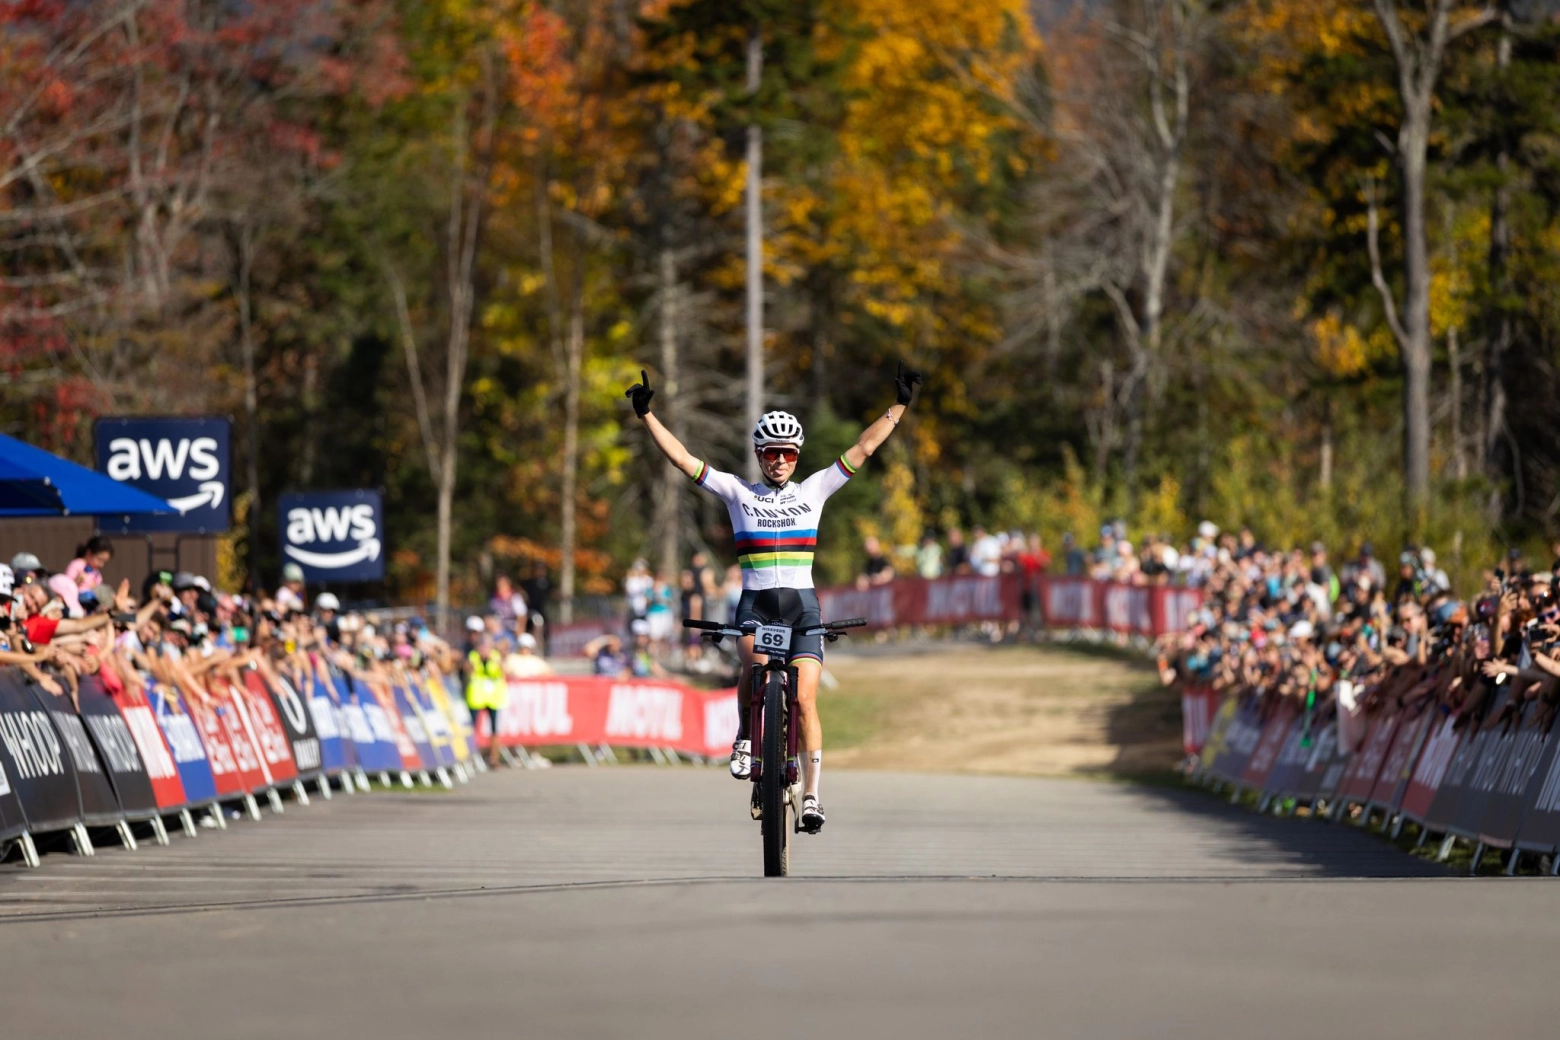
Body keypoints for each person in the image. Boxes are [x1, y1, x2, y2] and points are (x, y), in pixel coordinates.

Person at [625, 359, 922, 834]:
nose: (779, 460)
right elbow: (683, 459)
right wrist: (646, 417)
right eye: (770, 453)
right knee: (754, 665)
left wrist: (899, 407)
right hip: (757, 604)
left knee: (805, 700)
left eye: (786, 453)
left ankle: (811, 796)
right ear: (760, 455)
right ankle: (745, 737)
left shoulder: (815, 491)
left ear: (796, 456)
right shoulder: (738, 493)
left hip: (802, 606)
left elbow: (863, 449)